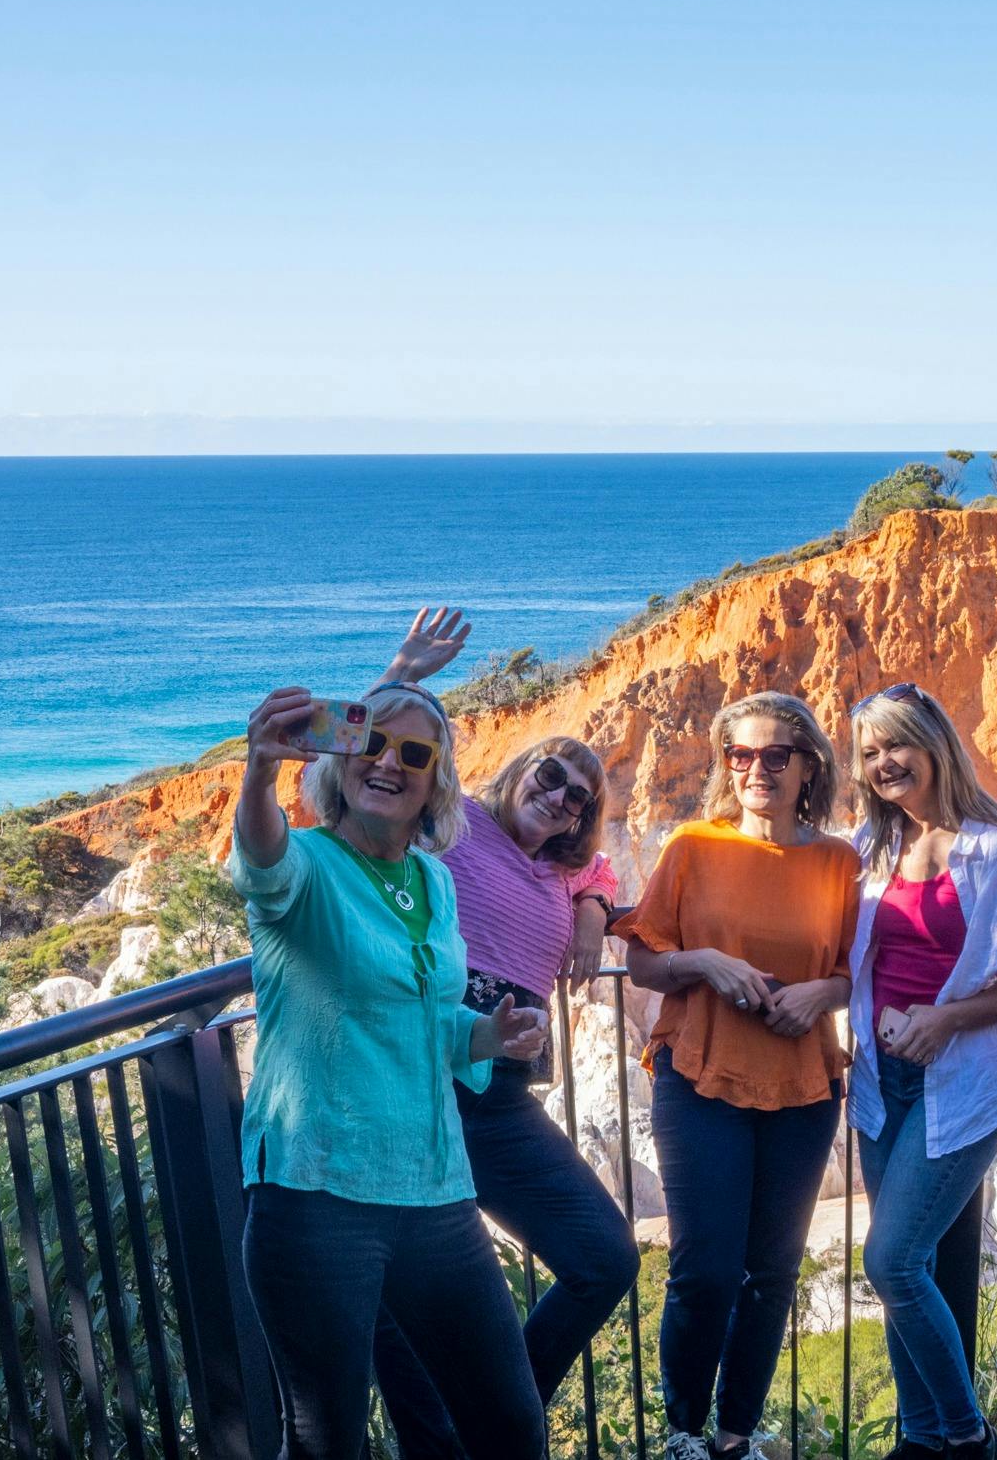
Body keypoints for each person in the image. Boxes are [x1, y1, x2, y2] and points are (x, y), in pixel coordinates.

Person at [229, 677, 551, 1459]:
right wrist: (259, 770)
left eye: (414, 753)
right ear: (339, 763)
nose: (389, 763)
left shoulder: (434, 883)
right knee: (328, 1439)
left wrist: (488, 1035)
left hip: (432, 1187)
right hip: (316, 1191)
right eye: (370, 742)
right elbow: (262, 859)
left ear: (435, 785)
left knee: (510, 1423)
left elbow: (426, 1022)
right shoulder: (307, 866)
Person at [365, 611, 640, 1456]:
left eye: (576, 799)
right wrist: (404, 671)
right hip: (419, 1087)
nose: (557, 796)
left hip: (504, 1101)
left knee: (606, 1258)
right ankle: (461, 1435)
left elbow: (600, 865)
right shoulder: (453, 824)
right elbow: (375, 766)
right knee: (400, 1319)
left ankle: (501, 1407)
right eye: (551, 773)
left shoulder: (567, 870)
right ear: (524, 763)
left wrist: (593, 903)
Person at [616, 690, 858, 1460]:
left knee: (771, 1272)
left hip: (803, 1084)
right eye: (741, 755)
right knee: (705, 1267)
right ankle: (684, 1432)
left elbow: (856, 970)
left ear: (809, 764)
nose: (756, 768)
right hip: (700, 1072)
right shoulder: (693, 845)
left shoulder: (837, 859)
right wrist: (706, 962)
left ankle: (733, 1436)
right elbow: (644, 959)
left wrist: (826, 990)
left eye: (776, 754)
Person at [845, 684, 997, 1460]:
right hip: (881, 1084)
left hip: (962, 1087)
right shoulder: (872, 850)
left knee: (892, 1259)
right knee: (916, 1265)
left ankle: (967, 1437)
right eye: (868, 753)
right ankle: (920, 1436)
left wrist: (944, 1019)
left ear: (935, 744)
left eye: (895, 745)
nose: (883, 764)